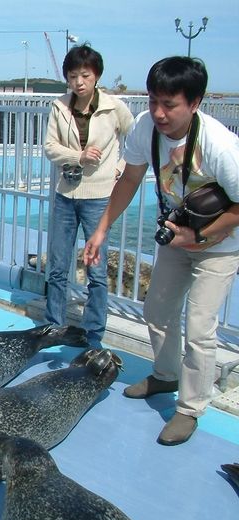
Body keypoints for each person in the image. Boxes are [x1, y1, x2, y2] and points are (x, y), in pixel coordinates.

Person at [83, 57, 239, 446]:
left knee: (200, 325)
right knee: (156, 310)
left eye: (169, 105)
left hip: (221, 245)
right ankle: (167, 375)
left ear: (195, 103)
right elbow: (130, 178)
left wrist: (199, 237)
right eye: (153, 101)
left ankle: (190, 408)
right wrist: (101, 230)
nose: (158, 113)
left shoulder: (220, 146)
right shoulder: (145, 127)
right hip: (178, 236)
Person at [43, 44, 134, 347]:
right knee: (58, 266)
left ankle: (93, 333)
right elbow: (50, 147)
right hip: (65, 194)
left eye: (85, 75)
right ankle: (54, 327)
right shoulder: (59, 106)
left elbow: (137, 141)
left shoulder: (113, 107)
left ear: (97, 76)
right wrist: (77, 156)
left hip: (99, 197)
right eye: (72, 76)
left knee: (96, 270)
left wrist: (120, 167)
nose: (79, 82)